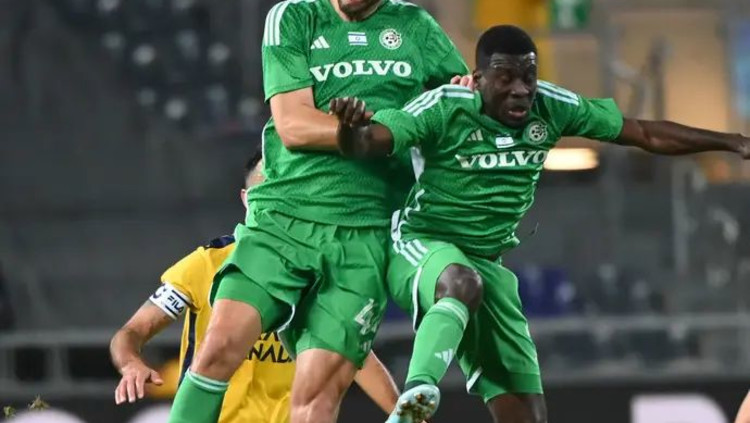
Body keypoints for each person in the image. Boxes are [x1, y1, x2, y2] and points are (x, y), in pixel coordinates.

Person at [327, 24, 750, 423]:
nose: (521, 89)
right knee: (460, 281)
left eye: (528, 77)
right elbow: (367, 142)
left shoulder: (551, 106)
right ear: (478, 79)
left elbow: (643, 133)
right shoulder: (444, 106)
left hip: (487, 263)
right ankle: (415, 398)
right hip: (421, 243)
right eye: (506, 78)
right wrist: (349, 130)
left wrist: (733, 142)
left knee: (526, 412)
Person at [166, 1, 471, 422]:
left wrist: (464, 102)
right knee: (218, 351)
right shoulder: (294, 17)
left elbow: (458, 112)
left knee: (318, 398)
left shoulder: (415, 27)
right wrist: (367, 135)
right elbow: (293, 126)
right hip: (283, 222)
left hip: (365, 234)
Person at [111, 152, 403, 423]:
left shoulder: (323, 273)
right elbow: (132, 332)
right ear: (247, 199)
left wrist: (410, 415)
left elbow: (357, 356)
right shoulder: (206, 264)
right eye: (266, 191)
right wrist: (131, 364)